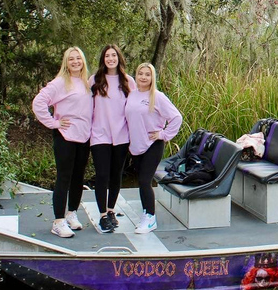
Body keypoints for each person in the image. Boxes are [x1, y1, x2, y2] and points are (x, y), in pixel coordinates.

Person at [32, 47, 93, 238]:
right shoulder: (59, 83)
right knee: (64, 178)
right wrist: (54, 123)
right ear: (66, 62)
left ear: (83, 61)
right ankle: (58, 222)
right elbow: (38, 102)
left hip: (84, 137)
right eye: (71, 59)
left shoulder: (86, 82)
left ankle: (71, 214)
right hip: (65, 137)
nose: (75, 62)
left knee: (78, 178)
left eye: (78, 58)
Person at [125, 63, 182, 234]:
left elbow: (176, 117)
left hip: (153, 145)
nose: (143, 77)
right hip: (136, 146)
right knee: (142, 182)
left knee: (144, 181)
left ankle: (150, 218)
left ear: (152, 78)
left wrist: (163, 135)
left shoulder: (157, 96)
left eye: (147, 74)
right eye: (140, 73)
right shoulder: (132, 95)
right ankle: (145, 213)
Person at [89, 44, 136, 234]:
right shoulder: (94, 81)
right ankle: (101, 215)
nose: (110, 59)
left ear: (119, 58)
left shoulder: (128, 81)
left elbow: (135, 109)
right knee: (101, 175)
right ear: (103, 59)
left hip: (121, 135)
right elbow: (84, 106)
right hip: (99, 135)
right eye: (107, 55)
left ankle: (111, 211)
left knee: (116, 175)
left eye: (113, 55)